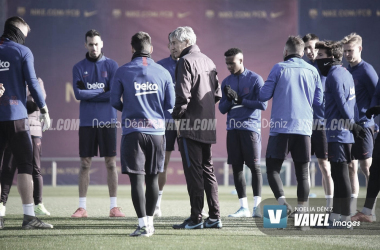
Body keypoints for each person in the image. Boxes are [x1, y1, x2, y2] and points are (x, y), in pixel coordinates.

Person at [111, 32, 175, 237]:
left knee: (137, 179)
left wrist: (130, 108)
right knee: (153, 178)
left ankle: (143, 225)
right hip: (157, 132)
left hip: (133, 132)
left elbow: (114, 101)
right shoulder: (163, 72)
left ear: (132, 48)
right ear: (151, 49)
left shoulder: (122, 71)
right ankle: (150, 224)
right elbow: (170, 105)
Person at [259, 36, 323, 229]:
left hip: (280, 129)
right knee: (303, 173)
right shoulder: (313, 70)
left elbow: (263, 95)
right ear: (302, 52)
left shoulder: (279, 68)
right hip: (304, 129)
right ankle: (303, 220)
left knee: (272, 169)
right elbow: (319, 101)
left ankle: (282, 205)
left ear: (285, 52)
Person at [0, 16, 52, 229]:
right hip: (16, 117)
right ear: (16, 31)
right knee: (25, 166)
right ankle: (29, 217)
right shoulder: (23, 52)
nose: (24, 39)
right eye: (23, 34)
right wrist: (44, 108)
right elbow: (32, 82)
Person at [170, 26, 222, 230]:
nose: (172, 46)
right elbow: (217, 94)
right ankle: (215, 216)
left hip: (190, 126)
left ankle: (196, 218)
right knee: (207, 171)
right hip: (207, 124)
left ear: (186, 42)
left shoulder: (185, 60)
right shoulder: (208, 60)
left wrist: (175, 115)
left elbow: (183, 97)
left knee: (194, 173)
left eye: (174, 42)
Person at [71, 29, 124, 218]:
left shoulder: (112, 65)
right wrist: (102, 92)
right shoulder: (78, 67)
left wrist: (91, 94)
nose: (94, 47)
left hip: (108, 122)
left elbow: (114, 94)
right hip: (87, 123)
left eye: (96, 44)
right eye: (90, 44)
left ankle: (114, 207)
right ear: (85, 45)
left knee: (111, 163)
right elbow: (78, 94)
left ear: (102, 44)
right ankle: (82, 208)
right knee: (85, 164)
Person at [315, 40, 365, 228]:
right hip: (345, 133)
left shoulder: (334, 76)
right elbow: (352, 104)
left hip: (338, 132)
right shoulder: (346, 73)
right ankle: (336, 217)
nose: (318, 59)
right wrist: (354, 125)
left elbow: (344, 105)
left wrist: (352, 125)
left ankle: (345, 219)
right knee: (339, 174)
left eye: (320, 56)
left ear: (331, 57)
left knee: (340, 174)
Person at [218, 48, 267, 218]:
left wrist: (240, 100)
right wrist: (230, 100)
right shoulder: (225, 82)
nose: (229, 66)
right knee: (236, 168)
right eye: (227, 63)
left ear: (241, 60)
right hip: (232, 130)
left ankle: (257, 208)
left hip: (250, 129)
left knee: (254, 167)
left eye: (232, 63)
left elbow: (263, 105)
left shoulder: (255, 79)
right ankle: (243, 208)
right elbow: (222, 108)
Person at [341, 33, 379, 217]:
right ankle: (353, 208)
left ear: (360, 49)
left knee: (368, 168)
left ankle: (370, 209)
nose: (347, 54)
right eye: (345, 51)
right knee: (351, 167)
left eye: (351, 50)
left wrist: (372, 122)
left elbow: (376, 96)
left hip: (364, 126)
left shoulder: (367, 70)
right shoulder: (346, 71)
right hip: (349, 127)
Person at [1, 78, 50, 216]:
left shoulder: (37, 81)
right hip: (14, 127)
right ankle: (2, 204)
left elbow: (34, 105)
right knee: (8, 168)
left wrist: (15, 99)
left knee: (35, 168)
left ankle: (38, 204)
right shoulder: (12, 80)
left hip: (33, 129)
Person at [302, 34, 333, 209]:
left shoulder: (327, 69)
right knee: (303, 165)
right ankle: (303, 206)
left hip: (322, 123)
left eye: (312, 47)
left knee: (324, 166)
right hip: (304, 124)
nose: (309, 51)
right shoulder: (304, 68)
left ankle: (330, 207)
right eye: (306, 48)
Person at [154, 32, 179, 217]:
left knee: (193, 165)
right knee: (163, 163)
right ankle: (156, 204)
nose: (173, 46)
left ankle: (198, 208)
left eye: (176, 43)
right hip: (167, 122)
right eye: (170, 43)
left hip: (189, 122)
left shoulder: (192, 63)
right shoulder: (160, 66)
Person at [351, 82, 380, 222]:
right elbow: (376, 94)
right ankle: (368, 212)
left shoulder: (366, 70)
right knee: (375, 169)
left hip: (365, 126)